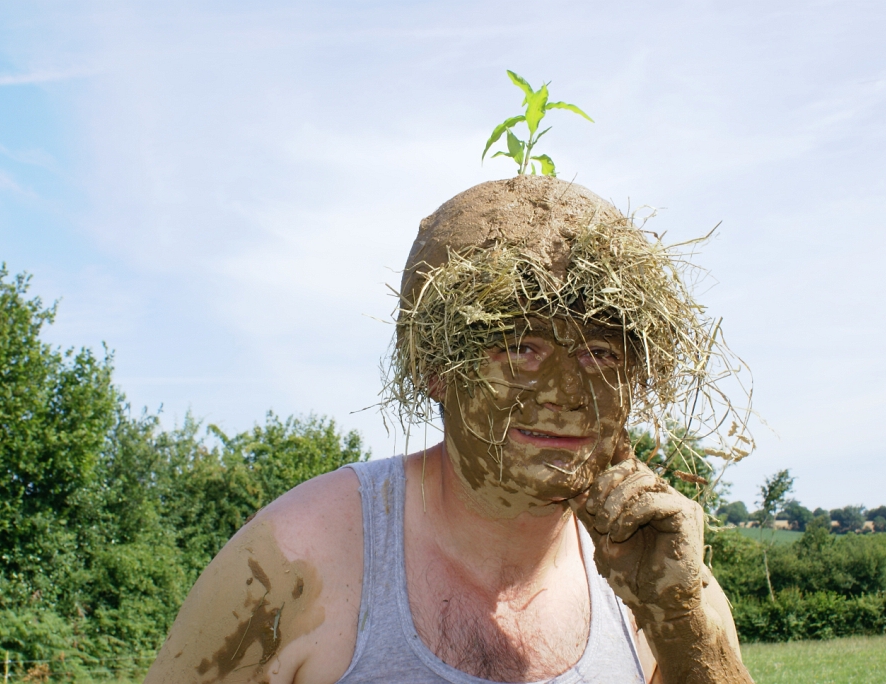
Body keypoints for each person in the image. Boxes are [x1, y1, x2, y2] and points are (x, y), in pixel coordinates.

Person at [144, 177, 754, 684]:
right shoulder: (296, 558)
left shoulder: (666, 581)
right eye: (520, 348)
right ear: (436, 367)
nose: (568, 394)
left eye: (601, 353)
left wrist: (682, 630)